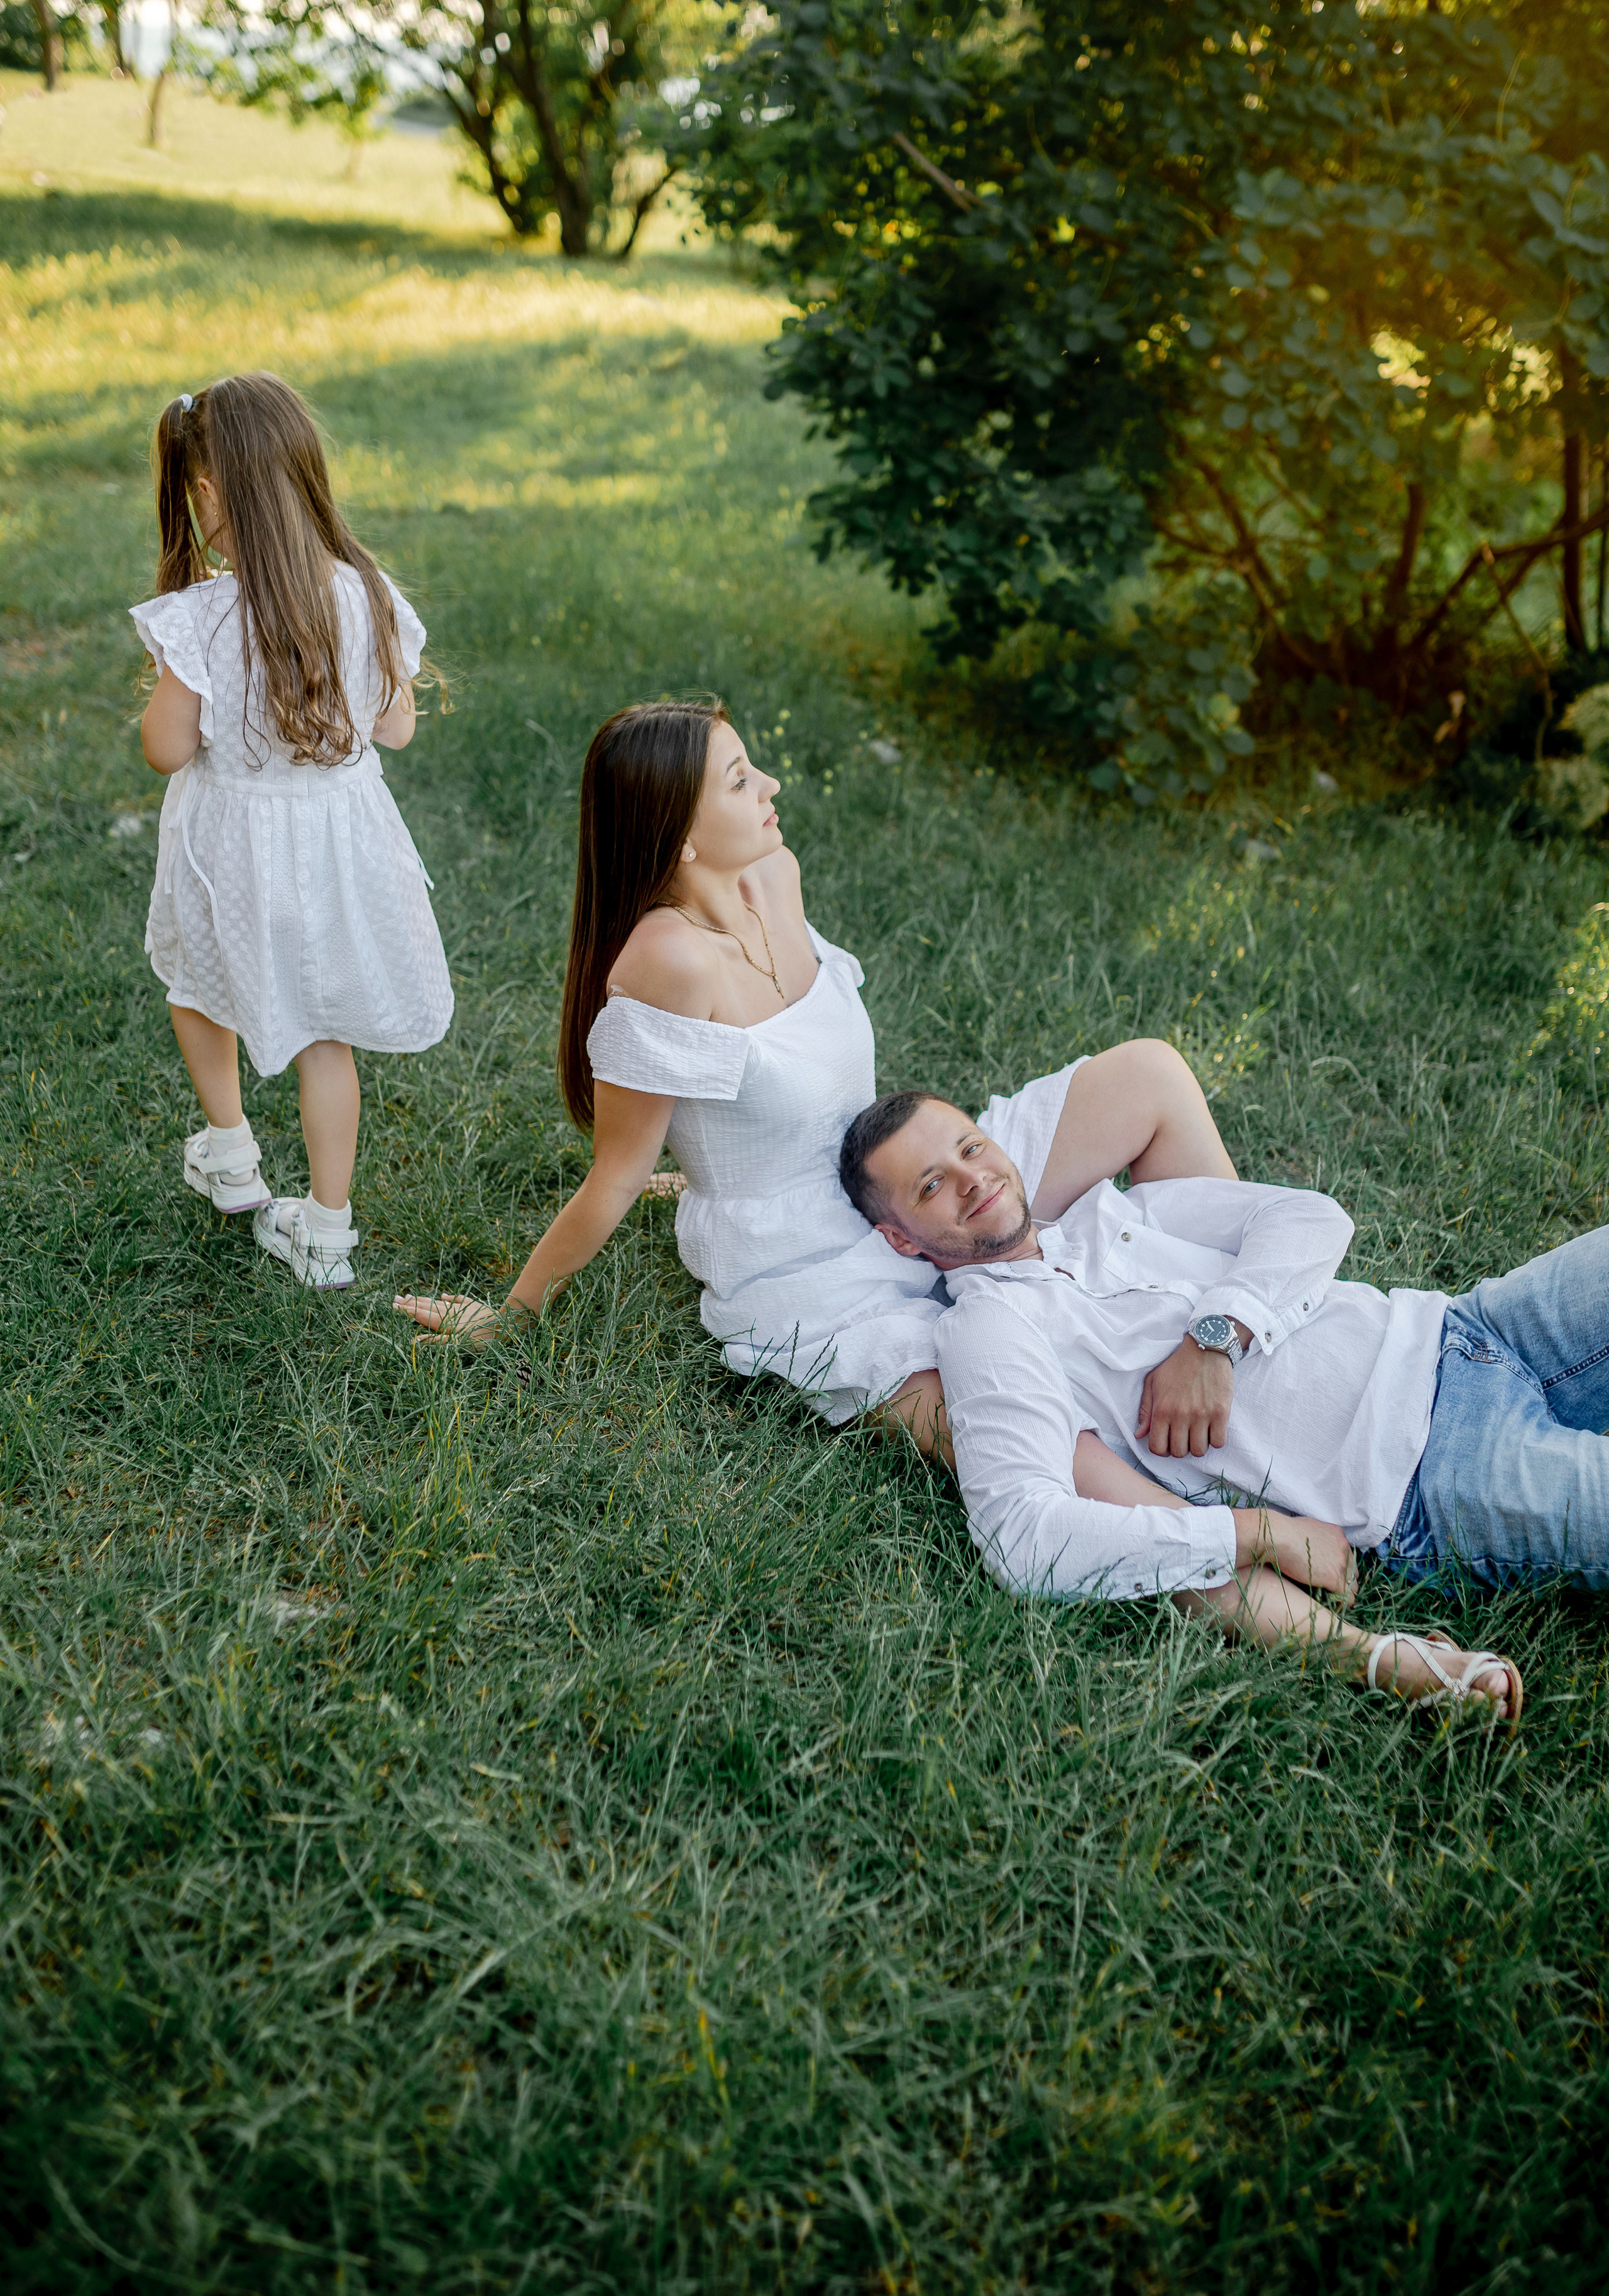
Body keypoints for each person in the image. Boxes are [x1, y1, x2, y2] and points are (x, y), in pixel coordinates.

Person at [395, 701, 1256, 1468]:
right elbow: (614, 1174)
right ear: (680, 834)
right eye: (739, 778)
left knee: (1149, 1074)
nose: (769, 781)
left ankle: (1235, 1322)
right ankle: (1239, 1529)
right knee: (1015, 1429)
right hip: (803, 1260)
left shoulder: (775, 874)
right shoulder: (669, 961)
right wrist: (510, 1314)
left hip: (895, 1168)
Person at [835, 1090, 1538, 1725]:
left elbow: (1307, 1216)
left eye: (971, 1148)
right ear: (901, 1240)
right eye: (932, 1186)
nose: (971, 1179)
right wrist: (1252, 1532)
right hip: (1425, 1470)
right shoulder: (990, 1330)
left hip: (1463, 1323)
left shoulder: (1118, 1211)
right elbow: (1023, 1536)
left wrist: (1213, 1340)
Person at [133, 372, 453, 1291]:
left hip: (229, 852)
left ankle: (231, 1154)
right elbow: (395, 728)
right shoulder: (367, 594)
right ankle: (326, 1230)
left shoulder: (202, 617)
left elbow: (165, 748)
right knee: (325, 1037)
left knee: (197, 983)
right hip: (339, 850)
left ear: (206, 497)